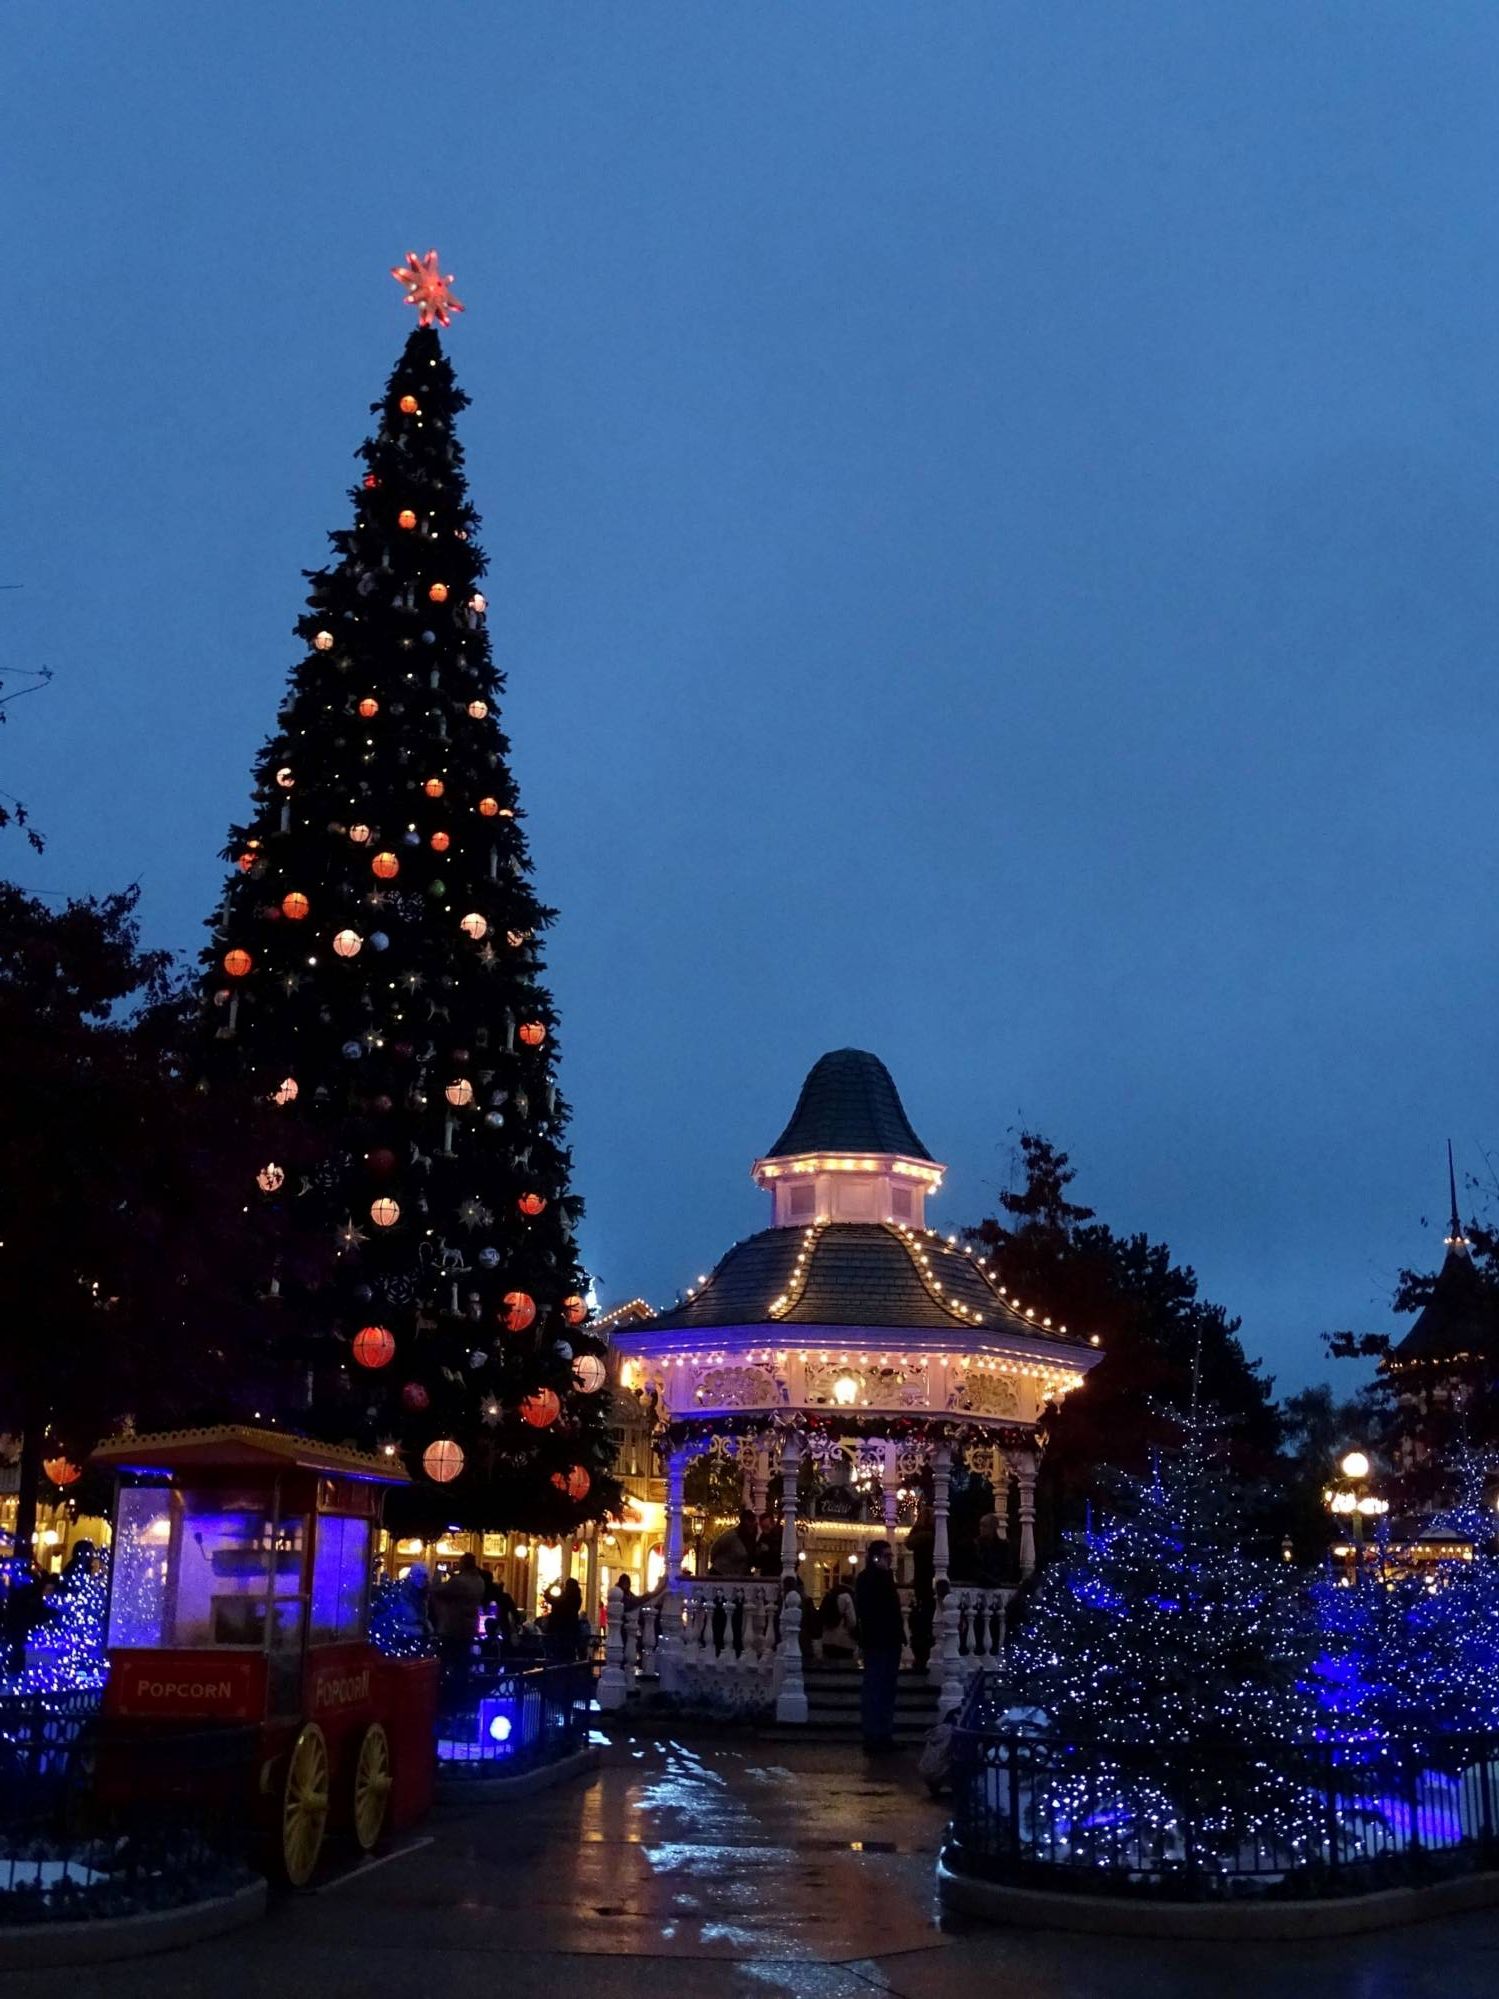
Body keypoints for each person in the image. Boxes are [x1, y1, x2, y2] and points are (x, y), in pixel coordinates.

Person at [854, 1540, 905, 1754]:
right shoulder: (868, 1579)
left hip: (890, 1640)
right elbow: (869, 1610)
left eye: (890, 1556)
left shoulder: (884, 1578)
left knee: (887, 1688)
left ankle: (884, 1734)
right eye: (886, 1556)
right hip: (877, 1641)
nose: (889, 1560)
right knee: (875, 1687)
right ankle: (873, 1735)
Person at [429, 1553, 486, 1689]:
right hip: (470, 1627)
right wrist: (454, 1575)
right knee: (463, 1662)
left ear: (464, 1564)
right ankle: (462, 1691)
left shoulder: (459, 1582)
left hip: (454, 1627)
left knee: (449, 1660)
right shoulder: (479, 1581)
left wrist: (437, 1574)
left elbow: (437, 1590)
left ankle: (449, 1693)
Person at [906, 1501, 936, 1671]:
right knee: (928, 1619)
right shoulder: (933, 1536)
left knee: (921, 1619)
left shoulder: (916, 1537)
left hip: (920, 1582)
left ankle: (920, 1655)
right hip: (928, 1582)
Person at [818, 1568, 858, 1662]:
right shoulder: (847, 1596)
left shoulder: (831, 1593)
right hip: (843, 1640)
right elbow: (852, 1621)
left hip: (827, 1638)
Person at [707, 1509, 759, 1578]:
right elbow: (715, 1549)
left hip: (738, 1575)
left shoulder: (751, 1539)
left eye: (753, 1524)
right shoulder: (731, 1536)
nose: (752, 1527)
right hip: (721, 1573)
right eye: (750, 1523)